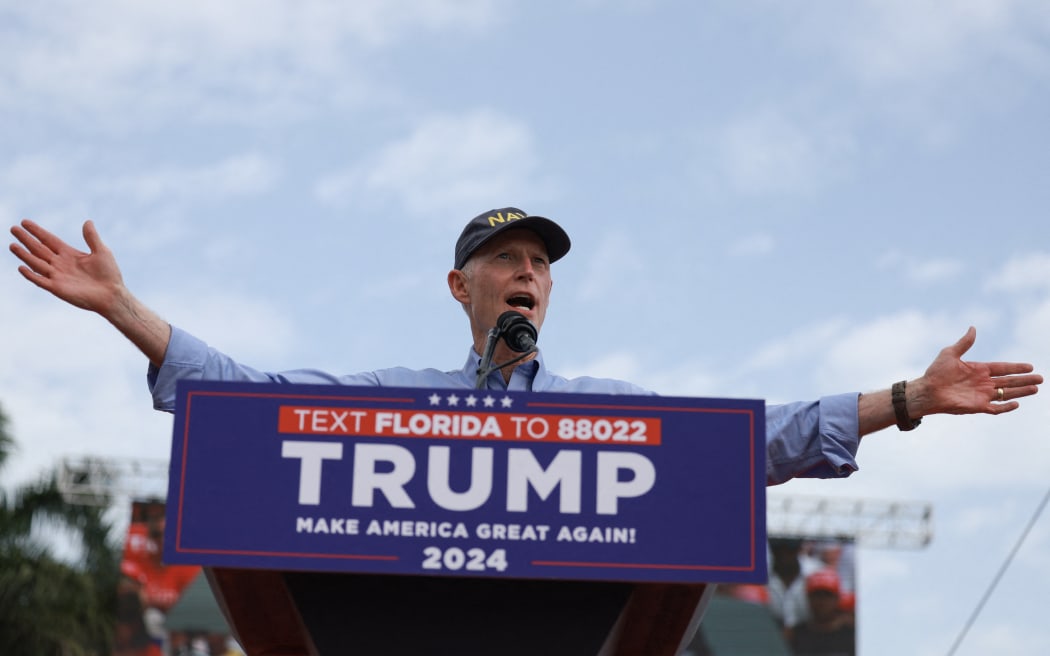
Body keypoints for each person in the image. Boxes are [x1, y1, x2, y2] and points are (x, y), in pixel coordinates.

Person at [8, 207, 1043, 486]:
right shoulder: (394, 399)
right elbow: (244, 398)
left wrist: (907, 396)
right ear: (461, 287)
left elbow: (754, 440)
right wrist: (122, 308)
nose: (527, 273)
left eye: (540, 263)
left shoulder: (609, 410)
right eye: (505, 259)